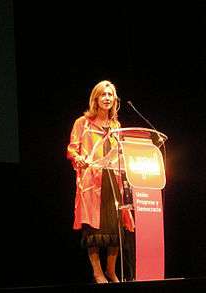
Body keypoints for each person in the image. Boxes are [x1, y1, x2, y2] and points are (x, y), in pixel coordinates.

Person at [67, 80, 134, 284]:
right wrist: (79, 159)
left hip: (112, 179)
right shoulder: (83, 123)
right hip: (92, 182)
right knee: (94, 230)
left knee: (115, 226)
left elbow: (121, 151)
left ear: (115, 100)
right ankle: (97, 272)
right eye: (103, 94)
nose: (107, 98)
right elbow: (72, 149)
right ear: (96, 98)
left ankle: (111, 270)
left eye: (110, 95)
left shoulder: (116, 126)